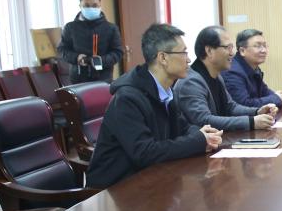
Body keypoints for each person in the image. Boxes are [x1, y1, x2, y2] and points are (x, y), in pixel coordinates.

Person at [87, 24, 223, 189]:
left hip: (150, 179)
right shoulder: (127, 99)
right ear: (163, 58)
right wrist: (198, 140)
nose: (188, 60)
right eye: (183, 53)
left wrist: (205, 135)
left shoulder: (166, 91)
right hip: (114, 189)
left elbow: (183, 128)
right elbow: (144, 152)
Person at [175, 26, 279, 131]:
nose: (232, 53)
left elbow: (230, 107)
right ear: (209, 51)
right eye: (227, 48)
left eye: (231, 47)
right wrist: (251, 122)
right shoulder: (191, 82)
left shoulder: (216, 76)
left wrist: (257, 112)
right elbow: (203, 120)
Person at [57, 0, 124, 84]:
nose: (91, 8)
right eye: (87, 6)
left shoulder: (111, 28)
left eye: (95, 5)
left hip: (103, 79)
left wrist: (101, 60)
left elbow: (118, 52)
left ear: (100, 6)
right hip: (77, 80)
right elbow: (62, 50)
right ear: (80, 6)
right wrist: (76, 58)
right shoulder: (70, 28)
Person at [223, 29, 282, 108]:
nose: (264, 50)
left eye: (265, 46)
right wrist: (277, 99)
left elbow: (264, 91)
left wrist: (278, 97)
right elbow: (243, 104)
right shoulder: (232, 72)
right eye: (258, 46)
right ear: (242, 51)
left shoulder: (253, 67)